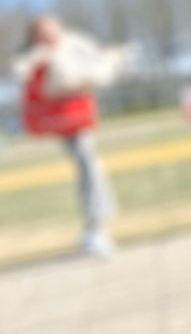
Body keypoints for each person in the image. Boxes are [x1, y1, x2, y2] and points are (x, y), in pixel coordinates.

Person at [13, 15, 129, 257]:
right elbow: (24, 75)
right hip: (57, 116)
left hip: (78, 113)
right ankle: (95, 224)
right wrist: (41, 62)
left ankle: (96, 224)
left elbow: (98, 64)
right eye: (43, 32)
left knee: (89, 162)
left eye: (52, 29)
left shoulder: (75, 43)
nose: (50, 35)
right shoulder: (35, 56)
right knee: (88, 163)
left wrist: (108, 60)